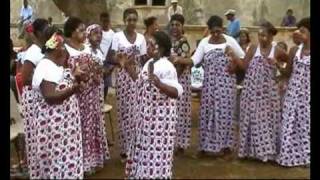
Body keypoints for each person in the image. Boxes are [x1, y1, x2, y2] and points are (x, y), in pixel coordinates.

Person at [173, 15, 245, 158]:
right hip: (209, 86)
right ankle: (203, 148)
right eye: (213, 32)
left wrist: (234, 64)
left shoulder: (230, 41)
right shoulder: (205, 42)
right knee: (206, 114)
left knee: (225, 115)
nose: (216, 34)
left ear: (222, 29)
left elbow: (242, 57)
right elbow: (194, 61)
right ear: (210, 30)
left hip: (226, 86)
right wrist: (178, 59)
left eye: (219, 31)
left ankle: (226, 148)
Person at [125, 31, 183, 179]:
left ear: (162, 48)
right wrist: (126, 65)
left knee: (156, 153)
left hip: (159, 121)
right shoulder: (150, 64)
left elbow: (176, 92)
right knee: (146, 150)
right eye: (148, 44)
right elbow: (140, 81)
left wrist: (159, 83)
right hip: (146, 119)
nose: (148, 47)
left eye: (152, 44)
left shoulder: (167, 66)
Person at [31, 27, 85, 179]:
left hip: (65, 131)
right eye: (62, 46)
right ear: (56, 46)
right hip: (54, 131)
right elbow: (50, 96)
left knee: (64, 165)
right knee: (57, 166)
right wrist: (74, 88)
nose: (64, 49)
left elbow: (62, 84)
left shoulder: (56, 66)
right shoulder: (45, 67)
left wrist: (75, 77)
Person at [236, 21, 289, 162]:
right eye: (259, 35)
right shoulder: (253, 48)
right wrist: (234, 55)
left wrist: (279, 69)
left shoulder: (276, 50)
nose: (261, 38)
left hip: (268, 94)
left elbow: (290, 64)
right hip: (251, 92)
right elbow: (244, 67)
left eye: (264, 35)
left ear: (271, 37)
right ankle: (250, 152)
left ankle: (268, 153)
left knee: (268, 122)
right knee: (251, 120)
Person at [64, 17, 109, 175]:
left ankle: (92, 161)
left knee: (90, 127)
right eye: (81, 30)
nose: (84, 34)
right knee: (78, 128)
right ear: (71, 31)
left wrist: (97, 75)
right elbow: (63, 74)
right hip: (75, 96)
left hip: (92, 94)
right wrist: (74, 75)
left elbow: (97, 69)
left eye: (85, 30)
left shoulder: (86, 48)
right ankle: (79, 163)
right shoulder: (65, 50)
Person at [109, 8, 147, 162]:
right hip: (123, 78)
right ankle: (125, 150)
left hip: (137, 77)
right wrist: (121, 61)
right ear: (124, 20)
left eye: (134, 19)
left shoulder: (141, 38)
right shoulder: (117, 37)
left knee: (137, 112)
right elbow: (110, 57)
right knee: (125, 113)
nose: (131, 22)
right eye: (129, 19)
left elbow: (144, 59)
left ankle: (136, 147)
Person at [277, 17, 310, 167]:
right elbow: (287, 72)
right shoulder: (295, 50)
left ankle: (307, 157)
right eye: (299, 30)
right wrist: (277, 65)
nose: (299, 33)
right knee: (289, 123)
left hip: (307, 95)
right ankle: (288, 155)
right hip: (293, 93)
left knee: (306, 125)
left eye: (303, 31)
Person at [20, 18, 49, 178]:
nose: (49, 32)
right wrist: (44, 81)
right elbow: (24, 79)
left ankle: (44, 170)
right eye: (46, 29)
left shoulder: (45, 49)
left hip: (43, 96)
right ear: (38, 33)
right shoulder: (32, 52)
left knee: (42, 134)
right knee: (34, 135)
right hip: (32, 97)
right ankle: (36, 172)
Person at [168, 14, 191, 155]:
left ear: (182, 26)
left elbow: (182, 66)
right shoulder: (170, 41)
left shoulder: (183, 42)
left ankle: (181, 144)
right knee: (173, 110)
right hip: (172, 79)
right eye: (173, 24)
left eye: (178, 25)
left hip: (180, 80)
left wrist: (172, 80)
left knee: (181, 111)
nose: (175, 27)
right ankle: (172, 141)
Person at [99, 12, 115, 100]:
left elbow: (114, 48)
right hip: (98, 60)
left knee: (106, 83)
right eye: (103, 21)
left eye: (107, 21)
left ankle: (103, 101)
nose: (105, 23)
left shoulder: (113, 34)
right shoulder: (98, 32)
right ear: (100, 21)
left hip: (108, 62)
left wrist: (112, 66)